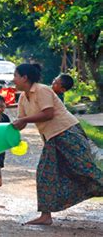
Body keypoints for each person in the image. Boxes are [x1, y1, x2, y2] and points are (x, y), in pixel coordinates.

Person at [12, 63, 102, 225]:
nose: (13, 80)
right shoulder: (23, 98)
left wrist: (23, 120)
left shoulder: (42, 90)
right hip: (51, 138)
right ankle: (46, 216)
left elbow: (48, 114)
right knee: (45, 174)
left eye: (15, 76)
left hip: (67, 132)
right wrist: (8, 129)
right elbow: (22, 122)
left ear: (25, 78)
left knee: (85, 170)